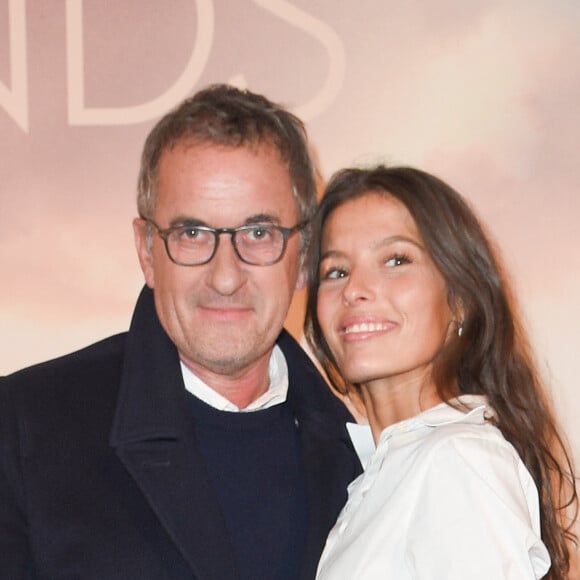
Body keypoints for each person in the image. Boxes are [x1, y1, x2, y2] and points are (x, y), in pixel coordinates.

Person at [0, 84, 362, 580]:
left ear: (302, 257)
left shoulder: (365, 455)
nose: (226, 276)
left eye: (258, 233)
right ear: (147, 251)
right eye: (192, 234)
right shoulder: (23, 431)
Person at [304, 165, 578, 579]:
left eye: (395, 260)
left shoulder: (457, 458)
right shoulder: (382, 475)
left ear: (461, 301)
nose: (354, 289)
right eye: (336, 271)